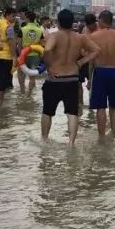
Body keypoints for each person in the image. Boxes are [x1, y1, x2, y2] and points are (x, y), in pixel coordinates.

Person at [40, 9, 98, 147]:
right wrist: (81, 62)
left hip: (55, 79)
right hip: (72, 78)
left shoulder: (54, 36)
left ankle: (44, 139)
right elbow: (97, 50)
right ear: (72, 23)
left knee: (47, 111)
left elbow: (47, 50)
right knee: (72, 112)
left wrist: (48, 67)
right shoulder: (80, 37)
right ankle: (71, 143)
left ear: (58, 22)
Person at [88, 11, 115, 139]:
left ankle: (101, 137)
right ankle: (114, 133)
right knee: (114, 106)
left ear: (101, 20)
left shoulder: (94, 36)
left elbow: (92, 60)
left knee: (100, 107)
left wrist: (89, 78)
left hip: (100, 71)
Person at [0, 6, 17, 104]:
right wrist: (14, 56)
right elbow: (11, 43)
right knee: (3, 80)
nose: (14, 18)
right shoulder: (9, 26)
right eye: (13, 16)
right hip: (6, 56)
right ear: (7, 15)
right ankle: (0, 103)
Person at [19, 11, 44, 93]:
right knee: (32, 76)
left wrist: (19, 55)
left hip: (23, 55)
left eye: (25, 18)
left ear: (27, 18)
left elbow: (19, 44)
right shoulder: (39, 30)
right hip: (35, 55)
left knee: (21, 74)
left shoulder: (22, 29)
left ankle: (22, 92)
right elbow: (41, 44)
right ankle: (29, 94)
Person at [78, 12, 98, 106]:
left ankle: (92, 106)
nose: (91, 28)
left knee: (94, 85)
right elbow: (81, 46)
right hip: (84, 59)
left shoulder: (100, 29)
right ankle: (80, 105)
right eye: (89, 26)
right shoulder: (84, 30)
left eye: (93, 25)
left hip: (95, 61)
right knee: (78, 84)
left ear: (95, 22)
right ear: (86, 24)